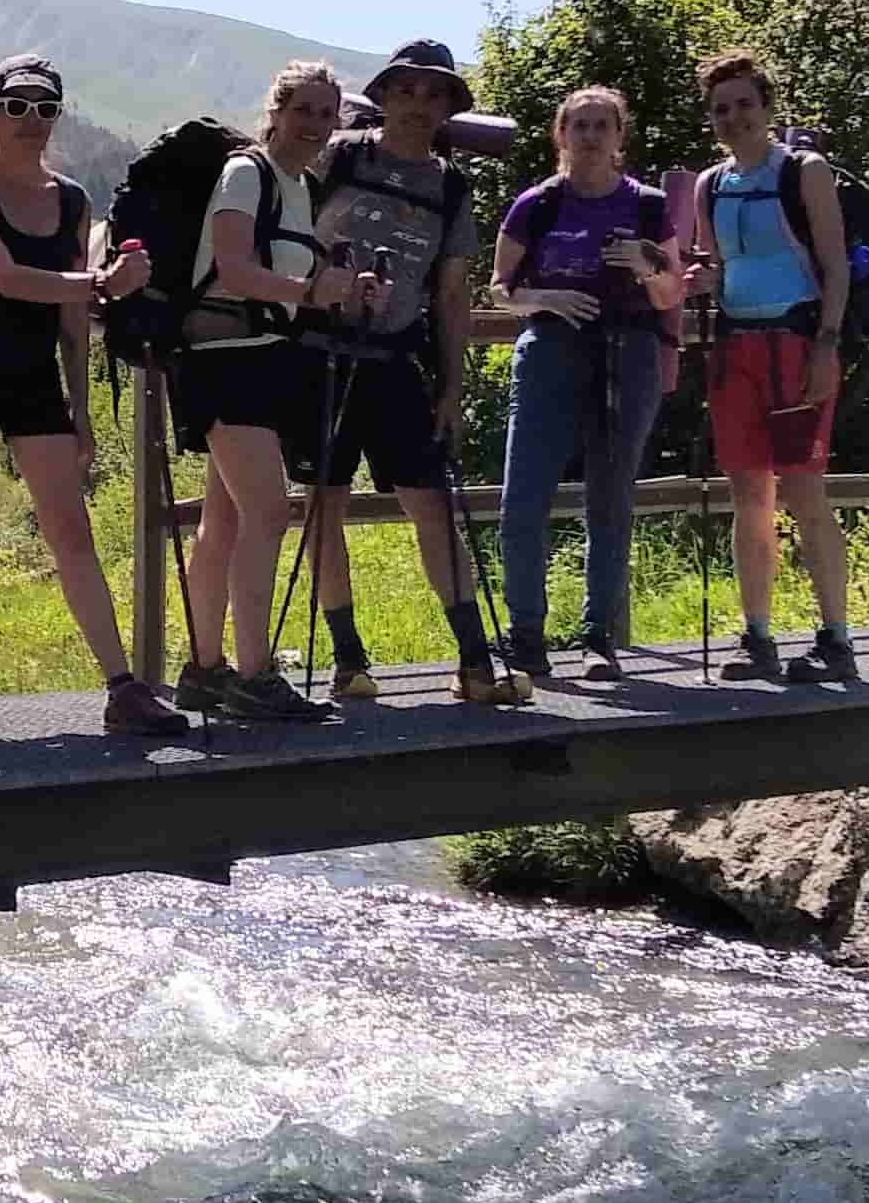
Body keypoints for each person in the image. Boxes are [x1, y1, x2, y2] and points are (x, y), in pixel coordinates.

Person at [0, 54, 191, 739]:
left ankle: (121, 687)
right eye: (16, 107)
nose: (30, 121)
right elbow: (8, 279)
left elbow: (70, 319)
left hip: (32, 377)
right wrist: (104, 283)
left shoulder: (70, 199)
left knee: (71, 531)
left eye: (44, 108)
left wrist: (80, 409)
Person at [303, 40, 518, 706]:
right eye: (408, 90)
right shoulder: (338, 157)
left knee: (431, 508)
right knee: (323, 508)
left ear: (449, 106)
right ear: (386, 94)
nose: (420, 105)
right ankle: (348, 662)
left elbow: (452, 294)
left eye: (435, 94)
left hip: (397, 360)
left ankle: (475, 663)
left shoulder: (451, 186)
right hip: (320, 354)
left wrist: (452, 387)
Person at [173, 60, 375, 721]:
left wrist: (341, 289)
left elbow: (295, 275)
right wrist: (307, 292)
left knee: (224, 522)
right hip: (222, 360)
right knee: (268, 512)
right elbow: (232, 266)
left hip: (260, 360)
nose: (316, 124)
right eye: (304, 110)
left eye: (326, 113)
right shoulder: (246, 173)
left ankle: (203, 670)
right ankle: (254, 675)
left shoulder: (295, 188)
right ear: (277, 111)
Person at [487, 86, 687, 685]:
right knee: (522, 499)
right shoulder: (537, 204)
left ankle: (598, 638)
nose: (592, 137)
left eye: (603, 126)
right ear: (561, 135)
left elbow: (672, 292)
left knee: (610, 498)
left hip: (630, 352)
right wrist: (545, 297)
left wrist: (647, 266)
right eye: (580, 126)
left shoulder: (649, 207)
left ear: (620, 137)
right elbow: (499, 288)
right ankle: (526, 637)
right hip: (550, 350)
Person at [687, 49, 856, 683]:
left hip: (796, 343)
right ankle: (757, 637)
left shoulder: (804, 170)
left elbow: (835, 265)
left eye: (743, 105)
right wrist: (698, 277)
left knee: (806, 493)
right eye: (721, 109)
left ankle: (835, 639)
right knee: (749, 496)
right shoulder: (711, 183)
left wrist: (827, 344)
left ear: (767, 106)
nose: (733, 118)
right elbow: (718, 266)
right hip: (737, 350)